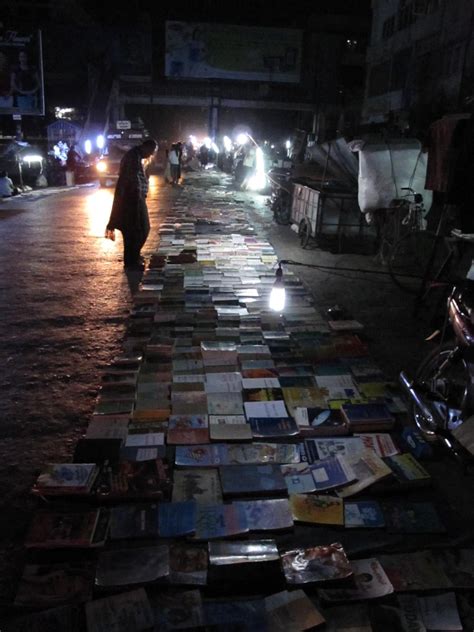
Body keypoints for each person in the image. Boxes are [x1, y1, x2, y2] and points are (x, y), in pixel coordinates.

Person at [105, 138, 157, 270]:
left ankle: (134, 258)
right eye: (150, 151)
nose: (150, 155)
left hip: (136, 199)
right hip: (131, 201)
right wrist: (135, 198)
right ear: (145, 147)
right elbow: (129, 180)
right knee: (133, 232)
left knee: (140, 230)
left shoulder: (137, 156)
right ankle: (131, 263)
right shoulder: (132, 157)